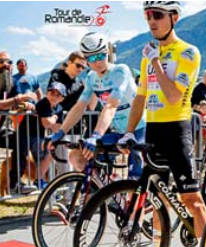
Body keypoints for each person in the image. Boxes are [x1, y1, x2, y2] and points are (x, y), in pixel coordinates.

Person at [121, 2, 206, 247]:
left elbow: (173, 97)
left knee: (192, 201)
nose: (151, 21)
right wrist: (129, 131)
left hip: (178, 129)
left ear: (174, 18)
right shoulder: (148, 57)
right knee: (156, 198)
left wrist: (156, 62)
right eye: (148, 15)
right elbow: (140, 98)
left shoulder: (188, 52)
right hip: (154, 130)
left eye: (157, 15)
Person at [45, 32, 146, 182]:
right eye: (92, 58)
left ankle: (132, 200)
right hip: (119, 133)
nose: (97, 62)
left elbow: (111, 105)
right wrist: (60, 132)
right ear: (86, 60)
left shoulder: (120, 70)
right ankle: (107, 194)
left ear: (108, 52)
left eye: (101, 56)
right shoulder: (91, 78)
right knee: (77, 155)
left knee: (134, 182)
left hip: (140, 130)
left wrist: (96, 135)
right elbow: (79, 107)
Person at [0, 51, 38, 194]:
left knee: (21, 140)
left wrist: (27, 105)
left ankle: (14, 184)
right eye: (1, 61)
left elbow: (16, 104)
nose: (5, 65)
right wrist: (19, 100)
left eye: (9, 62)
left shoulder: (12, 82)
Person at [47, 51, 87, 175]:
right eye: (78, 65)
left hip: (76, 127)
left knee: (77, 165)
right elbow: (55, 99)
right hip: (61, 126)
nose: (80, 69)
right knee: (64, 165)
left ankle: (74, 193)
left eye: (83, 67)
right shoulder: (57, 77)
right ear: (69, 63)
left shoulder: (79, 83)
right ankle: (61, 193)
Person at [25, 82, 67, 189]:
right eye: (52, 92)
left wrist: (52, 120)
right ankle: (38, 181)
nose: (54, 96)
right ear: (47, 93)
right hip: (28, 135)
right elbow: (47, 123)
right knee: (47, 156)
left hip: (38, 135)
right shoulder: (43, 103)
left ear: (62, 98)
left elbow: (58, 128)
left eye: (58, 94)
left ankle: (42, 182)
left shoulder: (59, 108)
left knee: (48, 156)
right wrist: (54, 118)